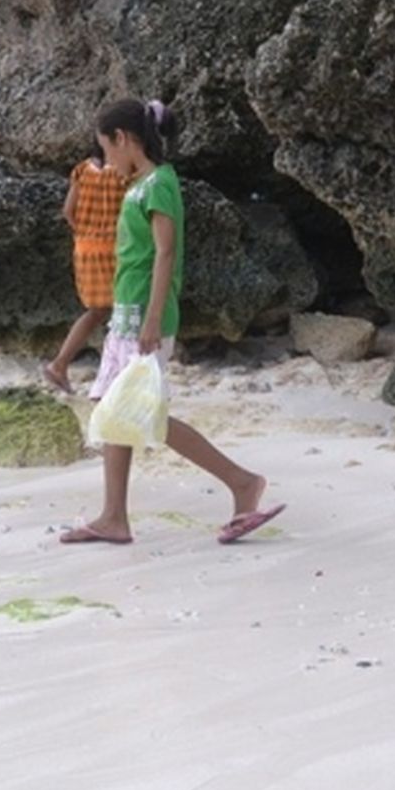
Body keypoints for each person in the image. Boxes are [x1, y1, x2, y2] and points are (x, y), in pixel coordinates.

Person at [61, 99, 285, 546]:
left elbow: (166, 253)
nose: (105, 161)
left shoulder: (160, 184)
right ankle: (113, 517)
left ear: (125, 139)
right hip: (127, 314)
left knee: (146, 414)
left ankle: (242, 483)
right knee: (114, 408)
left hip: (145, 317)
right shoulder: (138, 185)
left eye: (106, 150)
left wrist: (152, 319)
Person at [42, 132, 127, 394]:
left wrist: (84, 231)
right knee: (124, 309)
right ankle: (118, 375)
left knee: (97, 310)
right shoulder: (123, 173)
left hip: (85, 248)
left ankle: (60, 364)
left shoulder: (81, 170)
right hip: (114, 247)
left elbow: (68, 211)